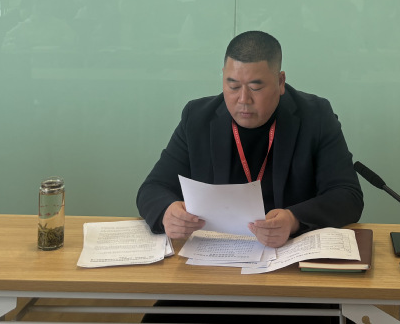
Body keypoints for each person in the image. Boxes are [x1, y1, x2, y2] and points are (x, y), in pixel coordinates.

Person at [137, 30, 363, 248]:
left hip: (288, 252)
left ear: (280, 82)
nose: (243, 99)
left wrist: (294, 219)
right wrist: (167, 212)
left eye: (255, 87)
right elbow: (153, 188)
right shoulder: (197, 118)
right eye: (233, 86)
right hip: (216, 253)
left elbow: (347, 195)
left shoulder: (315, 117)